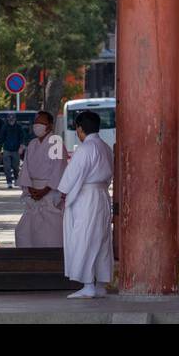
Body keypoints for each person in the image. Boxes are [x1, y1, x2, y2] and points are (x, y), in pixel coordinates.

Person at [60, 110, 113, 298]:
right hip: (102, 195)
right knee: (102, 239)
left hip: (86, 198)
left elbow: (71, 176)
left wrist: (62, 194)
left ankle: (88, 284)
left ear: (80, 129)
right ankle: (100, 284)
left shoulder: (85, 149)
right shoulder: (105, 147)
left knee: (84, 239)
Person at [16, 111, 69, 248]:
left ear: (50, 126)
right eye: (36, 122)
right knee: (25, 231)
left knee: (50, 229)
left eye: (41, 123)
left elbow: (58, 168)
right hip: (33, 191)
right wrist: (29, 188)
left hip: (49, 191)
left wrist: (44, 190)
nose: (37, 125)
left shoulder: (55, 142)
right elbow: (26, 168)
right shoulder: (32, 144)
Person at [0, 116, 23, 188]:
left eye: (12, 119)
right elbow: (1, 138)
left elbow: (22, 137)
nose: (11, 121)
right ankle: (9, 182)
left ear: (15, 119)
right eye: (9, 119)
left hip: (16, 150)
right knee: (7, 167)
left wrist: (21, 147)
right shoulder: (4, 127)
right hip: (6, 149)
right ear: (7, 120)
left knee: (16, 167)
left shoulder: (19, 127)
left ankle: (16, 179)